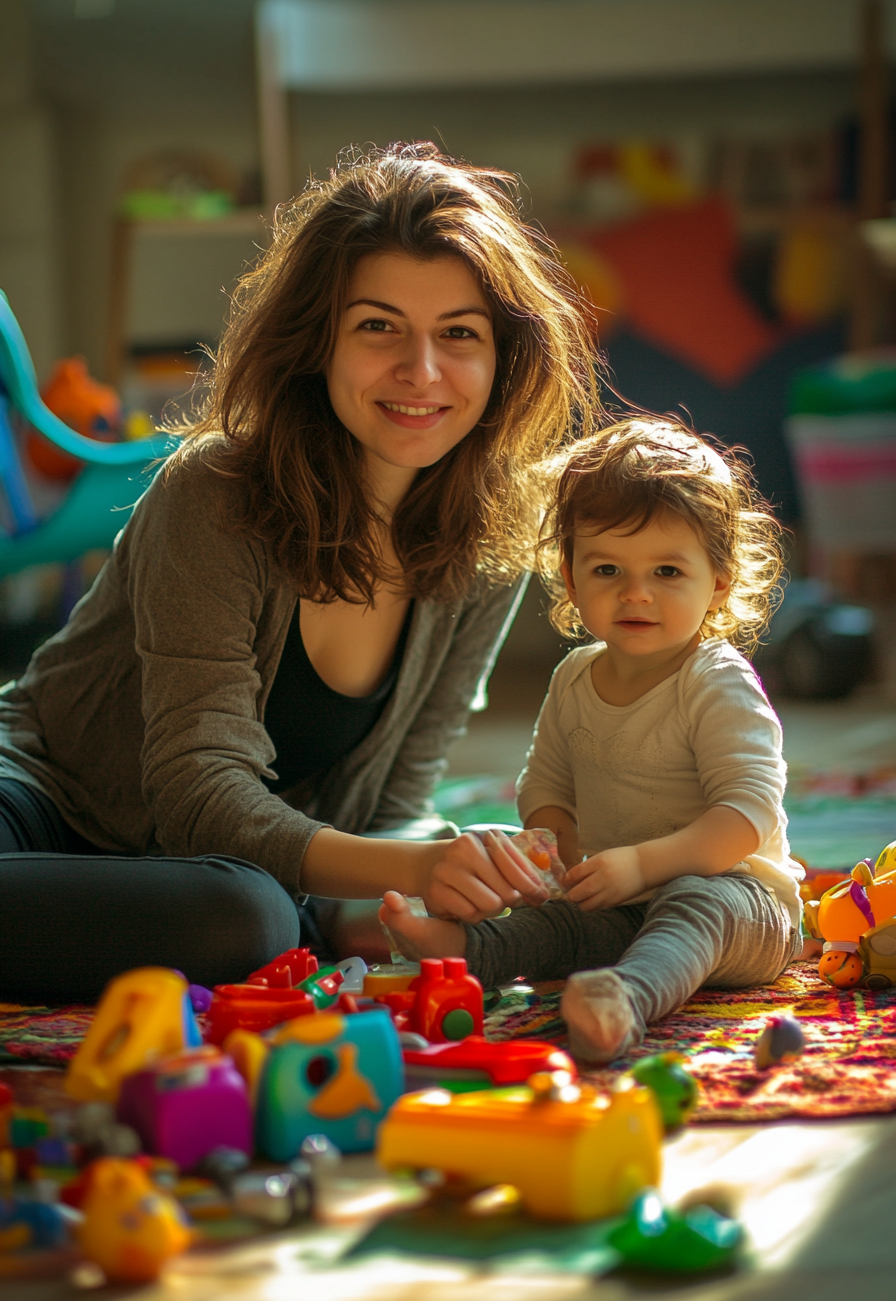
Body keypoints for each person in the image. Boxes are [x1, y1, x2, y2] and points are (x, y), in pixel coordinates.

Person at [0, 143, 600, 1003]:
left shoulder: (491, 539)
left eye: (458, 335)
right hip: (36, 809)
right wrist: (416, 863)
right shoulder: (213, 490)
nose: (420, 371)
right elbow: (199, 795)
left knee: (255, 915)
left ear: (504, 357)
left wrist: (448, 881)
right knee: (249, 919)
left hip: (204, 880)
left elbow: (390, 807)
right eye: (378, 327)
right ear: (317, 342)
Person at [381, 417, 804, 1063]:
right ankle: (465, 952)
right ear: (572, 581)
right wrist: (555, 853)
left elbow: (745, 820)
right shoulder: (575, 678)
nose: (636, 592)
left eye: (667, 571)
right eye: (608, 569)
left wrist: (640, 864)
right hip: (625, 902)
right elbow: (545, 787)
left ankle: (623, 1000)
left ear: (717, 581)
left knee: (696, 901)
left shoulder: (715, 682)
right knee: (556, 922)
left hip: (741, 905)